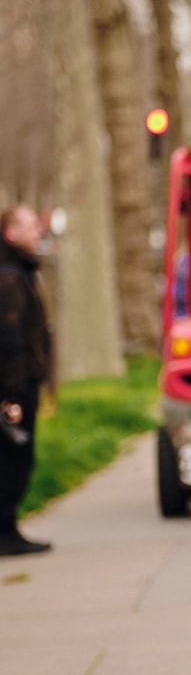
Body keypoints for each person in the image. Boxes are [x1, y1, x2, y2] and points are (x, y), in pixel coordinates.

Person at [0, 204, 53, 555]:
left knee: (19, 459)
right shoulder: (9, 277)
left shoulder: (21, 271)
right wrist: (12, 396)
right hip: (14, 391)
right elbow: (9, 340)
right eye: (30, 225)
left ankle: (8, 529)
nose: (38, 231)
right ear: (10, 233)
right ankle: (5, 533)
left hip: (20, 386)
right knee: (13, 459)